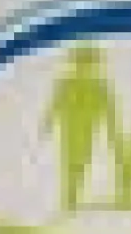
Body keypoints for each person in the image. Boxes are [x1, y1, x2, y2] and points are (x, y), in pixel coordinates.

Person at [41, 44, 121, 213]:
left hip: (87, 127)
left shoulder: (100, 86)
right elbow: (56, 104)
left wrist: (112, 133)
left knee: (81, 160)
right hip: (71, 126)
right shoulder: (67, 83)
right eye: (81, 64)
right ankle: (70, 196)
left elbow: (109, 110)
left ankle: (73, 195)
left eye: (88, 64)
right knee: (70, 160)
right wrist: (47, 123)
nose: (84, 68)